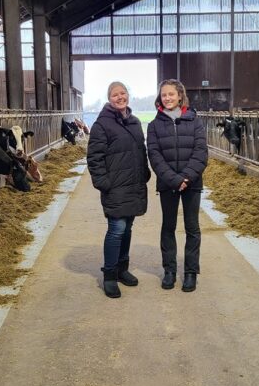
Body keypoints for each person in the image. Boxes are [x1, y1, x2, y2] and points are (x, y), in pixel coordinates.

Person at [87, 81, 151, 298]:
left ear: (128, 95)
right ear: (109, 98)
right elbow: (94, 158)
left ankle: (123, 269)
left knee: (128, 228)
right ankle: (110, 276)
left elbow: (140, 150)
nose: (120, 97)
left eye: (123, 93)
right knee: (116, 229)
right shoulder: (101, 125)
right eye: (115, 94)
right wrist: (104, 183)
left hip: (133, 185)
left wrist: (145, 172)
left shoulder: (134, 122)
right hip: (115, 187)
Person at [147, 79, 208, 292]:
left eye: (171, 94)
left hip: (192, 183)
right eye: (164, 95)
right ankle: (170, 270)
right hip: (168, 183)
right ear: (160, 98)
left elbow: (201, 152)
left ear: (180, 96)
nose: (168, 98)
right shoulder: (154, 125)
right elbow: (154, 155)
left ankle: (191, 272)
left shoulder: (194, 121)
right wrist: (174, 180)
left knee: (192, 228)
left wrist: (187, 178)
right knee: (168, 226)